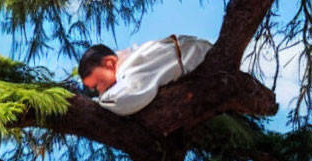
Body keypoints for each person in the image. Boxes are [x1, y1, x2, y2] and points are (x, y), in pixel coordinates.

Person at [78, 35, 212, 115]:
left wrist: (99, 102)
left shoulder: (131, 67)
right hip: (200, 55)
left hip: (204, 59)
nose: (100, 91)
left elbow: (124, 100)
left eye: (97, 84)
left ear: (109, 63)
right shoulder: (135, 60)